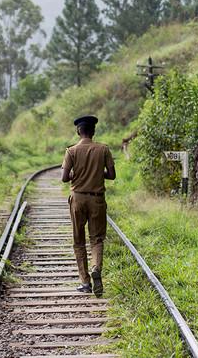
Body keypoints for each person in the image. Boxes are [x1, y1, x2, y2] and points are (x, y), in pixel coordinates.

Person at [61, 115, 116, 297]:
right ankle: (96, 267)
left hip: (77, 199)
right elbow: (112, 175)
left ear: (78, 131)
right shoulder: (103, 149)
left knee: (78, 241)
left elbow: (64, 178)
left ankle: (85, 282)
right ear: (93, 131)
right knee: (97, 239)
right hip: (97, 199)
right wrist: (97, 173)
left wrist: (77, 175)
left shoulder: (71, 151)